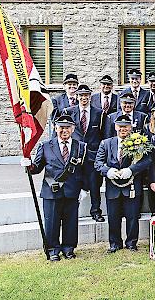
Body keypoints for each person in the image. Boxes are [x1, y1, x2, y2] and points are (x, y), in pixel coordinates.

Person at [21, 115, 87, 261]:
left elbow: (85, 170)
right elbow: (36, 168)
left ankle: (69, 249)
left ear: (73, 129)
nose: (64, 130)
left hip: (72, 191)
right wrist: (28, 164)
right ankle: (53, 250)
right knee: (51, 223)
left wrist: (84, 188)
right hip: (51, 192)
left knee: (71, 222)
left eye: (68, 127)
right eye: (61, 127)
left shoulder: (81, 146)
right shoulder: (45, 146)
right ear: (55, 128)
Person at [94, 115, 152, 253]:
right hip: (113, 187)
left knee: (132, 217)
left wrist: (131, 170)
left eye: (126, 126)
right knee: (113, 217)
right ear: (115, 127)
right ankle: (115, 244)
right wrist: (107, 171)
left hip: (131, 186)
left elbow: (147, 160)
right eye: (120, 126)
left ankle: (131, 243)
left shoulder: (139, 143)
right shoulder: (106, 143)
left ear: (130, 128)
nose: (123, 129)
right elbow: (98, 163)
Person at [64, 84, 105, 222]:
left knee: (94, 185)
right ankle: (72, 212)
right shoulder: (69, 111)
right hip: (75, 155)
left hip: (93, 155)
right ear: (77, 96)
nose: (84, 98)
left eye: (86, 95)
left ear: (90, 96)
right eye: (81, 95)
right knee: (74, 183)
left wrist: (101, 155)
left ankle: (96, 211)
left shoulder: (99, 113)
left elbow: (103, 135)